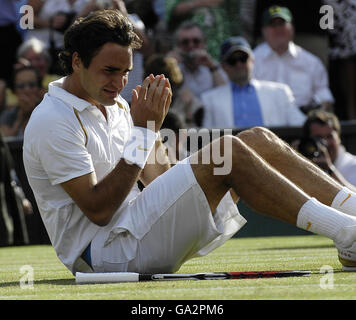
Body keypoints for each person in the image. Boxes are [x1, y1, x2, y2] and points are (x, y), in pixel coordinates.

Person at [23, 10, 356, 276]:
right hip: (104, 254)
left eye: (126, 72)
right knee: (230, 151)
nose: (120, 83)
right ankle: (348, 235)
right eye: (110, 71)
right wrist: (144, 132)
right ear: (77, 61)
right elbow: (98, 210)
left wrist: (151, 136)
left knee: (259, 139)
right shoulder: (52, 119)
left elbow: (158, 179)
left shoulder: (118, 104)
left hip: (139, 230)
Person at [202, 36, 306, 129]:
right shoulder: (209, 100)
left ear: (252, 60)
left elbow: (301, 124)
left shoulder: (280, 92)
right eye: (232, 60)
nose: (239, 64)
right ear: (223, 66)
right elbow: (207, 141)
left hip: (269, 150)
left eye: (243, 58)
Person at [253, 5, 334, 114]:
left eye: (282, 24)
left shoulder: (311, 62)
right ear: (263, 31)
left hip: (303, 122)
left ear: (292, 27)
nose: (278, 29)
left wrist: (315, 110)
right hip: (264, 121)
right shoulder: (251, 61)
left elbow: (324, 96)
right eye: (272, 25)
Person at [168, 21, 226, 101]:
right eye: (185, 42)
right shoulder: (173, 66)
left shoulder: (212, 66)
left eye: (196, 41)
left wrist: (212, 67)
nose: (191, 45)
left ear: (204, 44)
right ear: (178, 46)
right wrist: (168, 65)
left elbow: (224, 96)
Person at [300, 110, 356, 190]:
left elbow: (354, 199)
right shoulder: (304, 166)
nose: (325, 143)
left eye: (329, 136)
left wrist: (329, 169)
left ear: (339, 138)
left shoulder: (353, 165)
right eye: (318, 138)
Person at [144, 54, 203, 127]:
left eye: (169, 84)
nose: (164, 91)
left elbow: (197, 134)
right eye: (157, 84)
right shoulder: (143, 104)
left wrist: (188, 114)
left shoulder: (188, 101)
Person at [0, 66, 42, 138]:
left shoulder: (49, 110)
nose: (27, 90)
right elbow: (6, 140)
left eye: (32, 85)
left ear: (38, 88)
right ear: (14, 91)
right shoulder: (8, 114)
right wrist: (20, 118)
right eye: (21, 86)